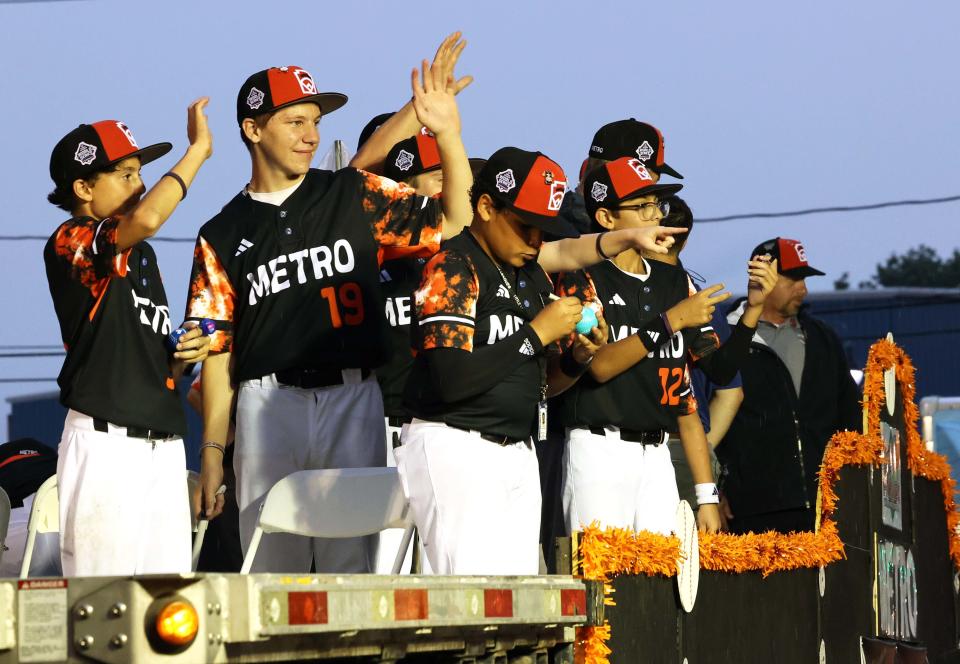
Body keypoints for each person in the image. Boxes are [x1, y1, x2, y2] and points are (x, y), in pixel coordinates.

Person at [186, 50, 473, 573]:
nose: (310, 135)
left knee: (351, 568)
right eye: (295, 121)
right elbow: (216, 350)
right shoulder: (220, 233)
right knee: (269, 570)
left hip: (352, 396)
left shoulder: (351, 192)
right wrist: (210, 450)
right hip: (267, 405)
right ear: (252, 129)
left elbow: (454, 220)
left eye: (315, 122)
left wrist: (449, 134)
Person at [398, 147, 610, 575]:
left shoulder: (528, 275)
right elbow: (449, 381)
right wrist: (535, 334)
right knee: (467, 600)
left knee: (518, 602)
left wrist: (576, 360)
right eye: (525, 226)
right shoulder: (452, 265)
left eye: (543, 231)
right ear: (487, 207)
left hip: (517, 447)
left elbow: (539, 383)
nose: (535, 241)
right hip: (455, 443)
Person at [43, 103, 213, 575]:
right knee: (104, 606)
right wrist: (197, 152)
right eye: (125, 173)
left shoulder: (143, 258)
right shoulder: (70, 239)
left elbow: (155, 363)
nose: (139, 185)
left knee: (168, 606)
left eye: (141, 173)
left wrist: (185, 355)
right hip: (105, 445)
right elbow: (147, 220)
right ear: (83, 187)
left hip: (162, 447)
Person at [556, 157, 747, 537]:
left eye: (656, 204)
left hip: (658, 452)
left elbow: (685, 394)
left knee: (659, 583)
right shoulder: (582, 276)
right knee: (604, 579)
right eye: (641, 206)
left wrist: (706, 494)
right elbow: (599, 365)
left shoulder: (673, 281)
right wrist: (670, 320)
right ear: (607, 219)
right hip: (599, 448)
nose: (654, 214)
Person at [644, 196, 777, 526]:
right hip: (661, 443)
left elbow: (724, 376)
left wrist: (754, 309)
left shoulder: (692, 298)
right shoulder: (688, 294)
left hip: (668, 444)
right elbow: (728, 382)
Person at [717, 237, 861, 534]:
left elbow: (851, 419)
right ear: (760, 276)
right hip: (751, 511)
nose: (803, 289)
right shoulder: (724, 337)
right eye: (793, 279)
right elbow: (705, 417)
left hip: (825, 508)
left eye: (804, 279)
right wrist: (712, 489)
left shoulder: (822, 338)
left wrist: (853, 488)